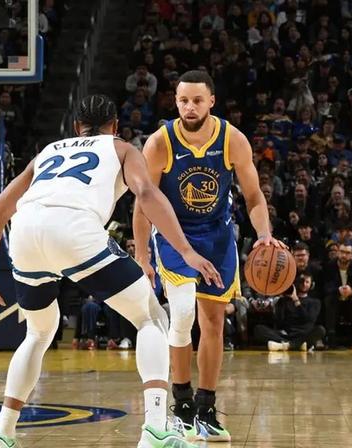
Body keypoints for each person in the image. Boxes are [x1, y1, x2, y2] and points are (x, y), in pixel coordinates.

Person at [0, 95, 221, 448]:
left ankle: (2, 435)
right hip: (74, 228)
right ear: (115, 126)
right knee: (151, 319)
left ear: (76, 127)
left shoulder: (48, 152)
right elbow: (146, 194)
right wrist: (186, 250)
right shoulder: (121, 149)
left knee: (39, 334)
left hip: (25, 231)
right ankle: (156, 428)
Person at [132, 71, 284, 442]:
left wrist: (265, 235)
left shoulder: (232, 139)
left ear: (211, 101)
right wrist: (142, 254)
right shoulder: (160, 142)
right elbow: (143, 204)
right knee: (182, 314)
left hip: (217, 237)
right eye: (183, 100)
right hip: (173, 235)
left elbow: (253, 197)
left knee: (214, 322)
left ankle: (206, 408)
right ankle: (181, 404)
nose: (189, 107)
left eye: (197, 100)